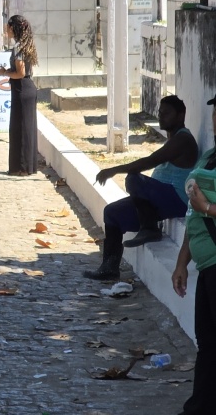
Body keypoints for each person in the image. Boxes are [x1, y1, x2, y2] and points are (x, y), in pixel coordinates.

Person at [155, 96, 216, 415]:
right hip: (207, 264)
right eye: (215, 116)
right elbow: (195, 216)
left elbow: (202, 207)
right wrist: (181, 263)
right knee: (208, 347)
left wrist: (207, 205)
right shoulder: (210, 157)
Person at [83, 95, 197, 280]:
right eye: (160, 113)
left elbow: (149, 161)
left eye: (166, 113)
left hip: (176, 199)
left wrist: (113, 170)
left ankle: (150, 227)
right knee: (111, 212)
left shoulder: (183, 139)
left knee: (134, 179)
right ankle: (109, 268)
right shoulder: (172, 139)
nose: (161, 117)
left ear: (181, 115)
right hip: (157, 201)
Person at [0, 15, 39, 176]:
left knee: (20, 129)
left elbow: (20, 73)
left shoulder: (19, 47)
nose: (6, 30)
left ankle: (21, 167)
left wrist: (4, 72)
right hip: (27, 88)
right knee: (27, 128)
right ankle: (28, 166)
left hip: (22, 88)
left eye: (8, 27)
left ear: (13, 28)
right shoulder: (27, 45)